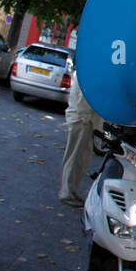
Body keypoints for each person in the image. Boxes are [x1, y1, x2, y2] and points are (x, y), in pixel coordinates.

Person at [58, 71, 103, 207]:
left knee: (78, 157)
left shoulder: (84, 71)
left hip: (82, 120)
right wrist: (85, 119)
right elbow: (82, 98)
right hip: (82, 121)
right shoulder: (87, 73)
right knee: (76, 158)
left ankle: (70, 191)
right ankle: (67, 193)